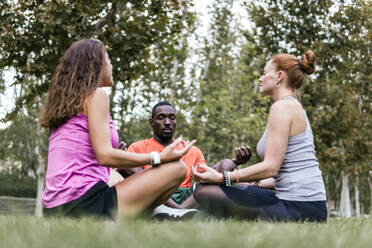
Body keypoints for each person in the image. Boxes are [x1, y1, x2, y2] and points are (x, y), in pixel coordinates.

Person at [40, 39, 195, 219]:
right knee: (177, 168)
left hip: (55, 207)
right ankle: (151, 214)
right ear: (96, 64)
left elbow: (87, 158)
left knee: (114, 175)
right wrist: (158, 157)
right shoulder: (97, 95)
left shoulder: (68, 104)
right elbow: (104, 155)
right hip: (83, 203)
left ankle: (156, 213)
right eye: (108, 59)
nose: (111, 65)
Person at [192, 50, 327, 222]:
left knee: (204, 191)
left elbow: (271, 167)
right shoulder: (292, 107)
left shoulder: (282, 108)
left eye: (264, 73)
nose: (260, 79)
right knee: (238, 187)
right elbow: (289, 172)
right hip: (309, 206)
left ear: (279, 76)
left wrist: (222, 178)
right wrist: (255, 184)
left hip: (299, 209)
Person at [118, 101, 252, 218]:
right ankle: (178, 212)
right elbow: (133, 178)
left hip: (186, 196)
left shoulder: (191, 150)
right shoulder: (137, 147)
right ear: (151, 123)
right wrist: (120, 157)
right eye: (161, 118)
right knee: (125, 165)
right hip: (153, 194)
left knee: (226, 164)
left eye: (172, 118)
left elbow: (207, 176)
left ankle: (176, 213)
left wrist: (235, 162)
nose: (167, 122)